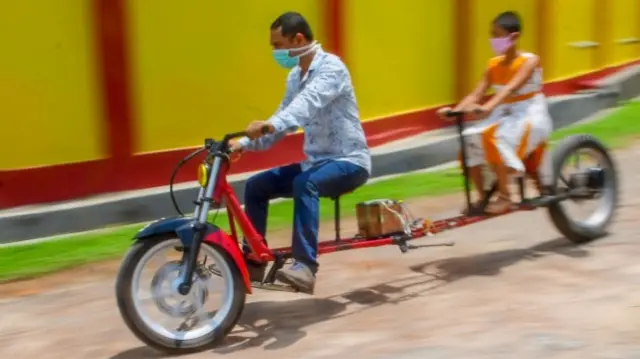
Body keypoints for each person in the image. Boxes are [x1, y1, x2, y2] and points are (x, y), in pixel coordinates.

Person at [229, 11, 371, 294]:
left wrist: (270, 123)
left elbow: (304, 106)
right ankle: (254, 261)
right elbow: (282, 122)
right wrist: (243, 143)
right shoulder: (295, 77)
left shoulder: (332, 68)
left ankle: (305, 266)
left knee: (304, 183)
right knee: (257, 186)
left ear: (298, 39)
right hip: (316, 163)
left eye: (278, 45)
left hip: (349, 161)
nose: (275, 52)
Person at [437, 11, 553, 214]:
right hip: (504, 112)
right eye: (492, 34)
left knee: (495, 137)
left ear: (514, 37)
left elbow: (510, 88)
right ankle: (483, 196)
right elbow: (476, 93)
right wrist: (454, 111)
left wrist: (487, 108)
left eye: (498, 34)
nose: (494, 40)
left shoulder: (530, 61)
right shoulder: (493, 65)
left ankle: (506, 196)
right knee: (469, 138)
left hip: (529, 113)